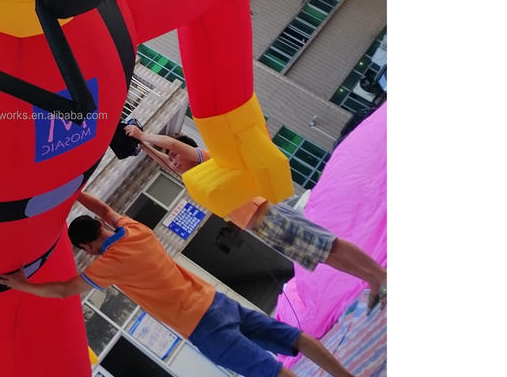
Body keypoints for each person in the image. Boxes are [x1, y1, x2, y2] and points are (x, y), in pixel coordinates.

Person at [0, 191, 374, 377]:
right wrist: (71, 192)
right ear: (101, 226)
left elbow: (64, 290)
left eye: (83, 249)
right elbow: (106, 209)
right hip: (216, 301)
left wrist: (21, 284)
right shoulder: (133, 229)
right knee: (292, 338)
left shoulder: (106, 265)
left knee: (271, 372)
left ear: (85, 245)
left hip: (201, 325)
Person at [124, 124, 386, 311]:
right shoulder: (192, 179)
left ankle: (381, 275)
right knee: (320, 255)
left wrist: (143, 134)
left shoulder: (205, 159)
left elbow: (172, 144)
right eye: (170, 158)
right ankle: (373, 280)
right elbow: (164, 160)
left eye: (175, 155)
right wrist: (144, 146)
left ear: (187, 149)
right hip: (259, 226)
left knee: (328, 244)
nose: (172, 159)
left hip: (267, 212)